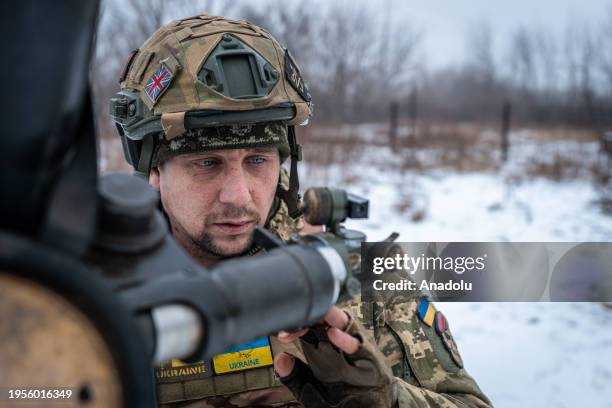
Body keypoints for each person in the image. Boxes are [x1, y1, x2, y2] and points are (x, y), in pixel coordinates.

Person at [110, 14, 492, 408]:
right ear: (153, 168)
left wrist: (386, 400)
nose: (239, 195)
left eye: (258, 160)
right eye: (207, 163)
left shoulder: (356, 273)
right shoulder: (97, 279)